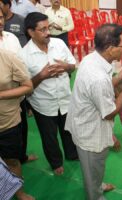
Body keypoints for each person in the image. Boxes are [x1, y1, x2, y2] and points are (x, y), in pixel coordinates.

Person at [65, 23, 122, 200]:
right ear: (110, 48)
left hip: (84, 124)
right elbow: (109, 112)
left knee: (94, 170)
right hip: (90, 135)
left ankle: (97, 186)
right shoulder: (98, 77)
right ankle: (96, 195)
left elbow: (103, 87)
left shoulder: (92, 59)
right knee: (93, 171)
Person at [18, 12, 78, 175]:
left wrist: (66, 67)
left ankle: (72, 154)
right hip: (43, 104)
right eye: (42, 29)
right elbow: (25, 86)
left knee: (69, 130)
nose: (48, 33)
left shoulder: (58, 43)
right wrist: (42, 76)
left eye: (48, 27)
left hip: (65, 99)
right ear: (31, 32)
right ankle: (56, 162)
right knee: (49, 137)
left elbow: (73, 65)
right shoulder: (23, 55)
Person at [0, 49, 34, 200]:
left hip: (7, 122)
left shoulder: (8, 57)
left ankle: (19, 192)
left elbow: (28, 86)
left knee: (11, 159)